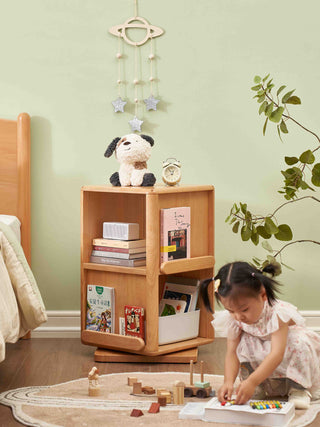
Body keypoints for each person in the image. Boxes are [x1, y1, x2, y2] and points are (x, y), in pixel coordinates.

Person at [200, 261, 320, 409]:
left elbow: (277, 354)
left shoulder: (278, 314)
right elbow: (232, 353)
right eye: (231, 311)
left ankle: (298, 389)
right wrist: (228, 382)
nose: (238, 316)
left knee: (298, 342)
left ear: (262, 295)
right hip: (262, 354)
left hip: (285, 350)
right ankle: (259, 387)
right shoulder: (234, 319)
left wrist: (252, 381)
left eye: (244, 309)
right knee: (244, 344)